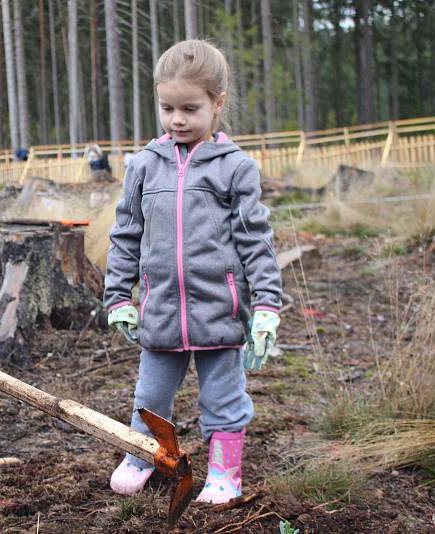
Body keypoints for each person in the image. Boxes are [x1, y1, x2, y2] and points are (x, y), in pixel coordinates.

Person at [103, 40, 282, 504]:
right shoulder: (143, 165)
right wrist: (119, 298)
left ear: (218, 103)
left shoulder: (236, 168)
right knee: (150, 393)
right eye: (167, 108)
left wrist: (265, 307)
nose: (177, 119)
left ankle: (224, 472)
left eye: (189, 108)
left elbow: (255, 241)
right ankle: (145, 454)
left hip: (220, 312)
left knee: (223, 398)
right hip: (160, 310)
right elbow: (126, 235)